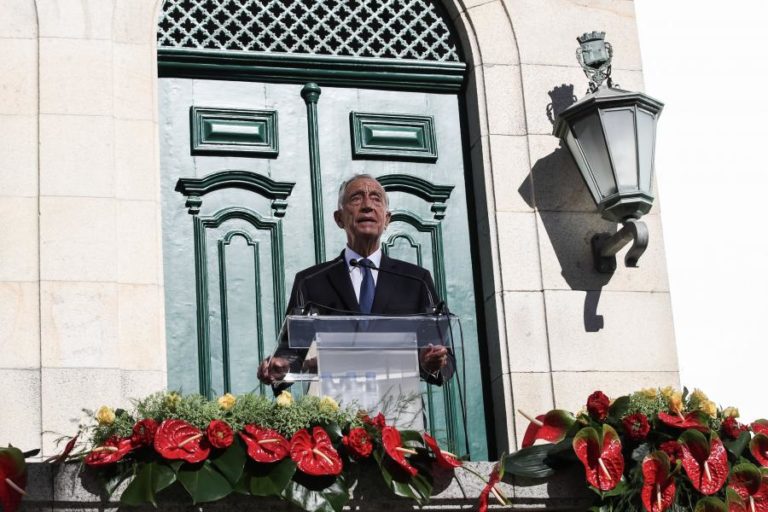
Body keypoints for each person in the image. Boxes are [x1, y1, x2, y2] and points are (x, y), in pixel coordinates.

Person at [257, 173, 452, 387]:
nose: (367, 205)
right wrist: (279, 368)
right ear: (339, 218)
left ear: (387, 219)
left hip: (399, 409)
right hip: (331, 411)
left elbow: (445, 359)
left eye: (376, 198)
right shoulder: (310, 281)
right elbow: (291, 353)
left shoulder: (416, 280)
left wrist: (431, 363)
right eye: (356, 198)